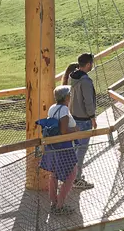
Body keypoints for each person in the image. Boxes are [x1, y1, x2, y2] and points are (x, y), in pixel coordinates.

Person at [39, 85, 79, 215]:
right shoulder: (64, 110)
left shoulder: (52, 108)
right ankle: (60, 204)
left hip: (53, 145)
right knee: (72, 173)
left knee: (54, 173)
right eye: (70, 95)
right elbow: (63, 130)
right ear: (66, 97)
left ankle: (53, 202)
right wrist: (76, 130)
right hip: (64, 146)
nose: (71, 97)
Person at [68, 52, 96, 190]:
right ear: (88, 64)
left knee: (73, 149)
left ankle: (71, 176)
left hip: (73, 118)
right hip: (84, 121)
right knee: (81, 151)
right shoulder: (85, 81)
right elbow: (88, 102)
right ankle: (77, 179)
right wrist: (93, 117)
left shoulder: (72, 77)